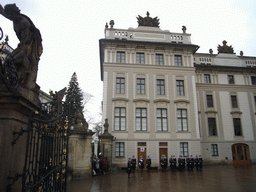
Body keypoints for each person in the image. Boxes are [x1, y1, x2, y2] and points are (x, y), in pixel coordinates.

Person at [0, 3, 43, 91]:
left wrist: (14, 58)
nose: (9, 17)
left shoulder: (23, 23)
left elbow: (26, 48)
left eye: (10, 15)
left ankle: (32, 86)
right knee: (9, 59)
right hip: (23, 44)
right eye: (9, 15)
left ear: (14, 13)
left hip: (30, 46)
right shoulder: (15, 18)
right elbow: (5, 14)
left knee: (27, 83)